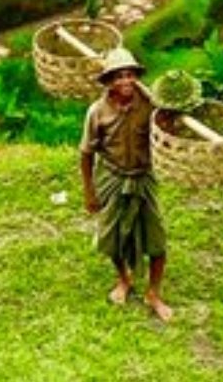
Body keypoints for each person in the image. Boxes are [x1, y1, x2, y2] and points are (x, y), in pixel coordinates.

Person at [79, 47, 172, 322]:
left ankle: (154, 293)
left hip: (143, 177)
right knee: (113, 238)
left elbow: (169, 125)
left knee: (157, 240)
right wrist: (89, 191)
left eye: (130, 75)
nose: (126, 82)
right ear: (109, 81)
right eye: (119, 77)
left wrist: (167, 111)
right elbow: (86, 154)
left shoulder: (150, 105)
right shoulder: (97, 112)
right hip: (112, 176)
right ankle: (124, 279)